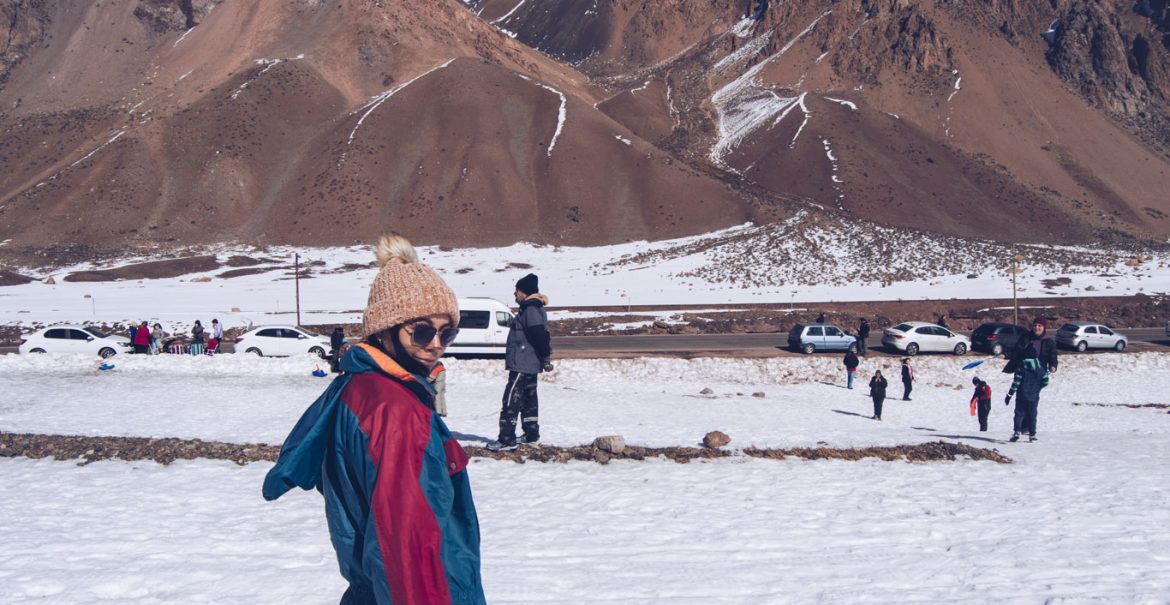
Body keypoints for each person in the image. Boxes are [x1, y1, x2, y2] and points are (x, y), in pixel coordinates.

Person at [262, 232, 486, 605]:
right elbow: (408, 549)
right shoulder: (397, 415)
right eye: (423, 331)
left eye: (447, 332)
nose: (436, 344)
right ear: (384, 330)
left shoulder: (357, 389)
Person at [488, 272, 552, 451]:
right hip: (529, 363)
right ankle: (531, 434)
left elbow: (540, 336)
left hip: (523, 363)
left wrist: (546, 355)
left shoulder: (531, 310)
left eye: (517, 290)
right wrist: (544, 357)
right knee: (529, 398)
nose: (515, 294)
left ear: (524, 292)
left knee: (511, 399)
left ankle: (507, 439)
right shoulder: (532, 308)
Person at [1005, 347, 1049, 442]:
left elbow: (1016, 383)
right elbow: (1045, 381)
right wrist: (1038, 388)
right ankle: (1032, 434)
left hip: (1021, 395)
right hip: (1034, 396)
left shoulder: (1021, 367)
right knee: (1032, 415)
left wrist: (1009, 395)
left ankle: (1017, 431)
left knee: (1019, 414)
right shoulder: (1040, 368)